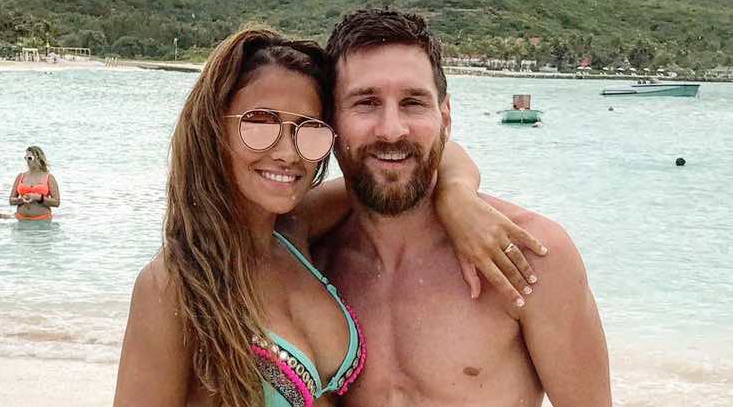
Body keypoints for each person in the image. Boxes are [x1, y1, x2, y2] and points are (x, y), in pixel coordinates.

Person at [114, 27, 547, 407]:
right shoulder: (175, 285)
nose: (287, 153)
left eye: (309, 129)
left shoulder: (294, 232)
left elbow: (415, 156)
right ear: (213, 128)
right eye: (260, 123)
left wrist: (457, 198)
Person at [313, 9, 611, 407]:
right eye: (366, 103)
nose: (392, 130)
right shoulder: (310, 261)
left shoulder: (530, 255)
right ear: (330, 122)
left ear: (445, 117)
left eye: (413, 103)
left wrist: (456, 190)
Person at [8, 146, 60, 221]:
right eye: (25, 158)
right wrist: (22, 200)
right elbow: (11, 200)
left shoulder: (49, 177)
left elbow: (56, 202)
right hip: (21, 220)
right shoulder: (21, 176)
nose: (27, 161)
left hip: (42, 221)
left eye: (30, 158)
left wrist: (39, 197)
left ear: (38, 158)